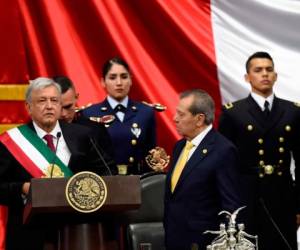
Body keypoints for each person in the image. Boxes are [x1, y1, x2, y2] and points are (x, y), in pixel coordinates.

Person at [0, 77, 114, 250]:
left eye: (54, 100)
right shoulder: (12, 142)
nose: (49, 106)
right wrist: (22, 188)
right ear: (28, 107)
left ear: (60, 106)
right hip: (29, 235)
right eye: (41, 100)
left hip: (77, 231)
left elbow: (108, 172)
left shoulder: (83, 135)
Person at [218, 51, 300, 250]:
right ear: (247, 77)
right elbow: (224, 165)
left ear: (276, 76)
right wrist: (229, 206)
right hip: (247, 196)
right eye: (258, 70)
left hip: (283, 195)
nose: (264, 74)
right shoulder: (232, 113)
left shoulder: (293, 111)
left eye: (269, 70)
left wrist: (299, 204)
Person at [164, 89, 241, 250]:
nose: (174, 118)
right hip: (174, 238)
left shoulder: (223, 150)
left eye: (181, 114)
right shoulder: (179, 147)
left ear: (199, 119)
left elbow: (230, 207)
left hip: (204, 242)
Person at [81, 57, 157, 175]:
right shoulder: (90, 114)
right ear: (103, 82)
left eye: (124, 77)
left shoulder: (145, 112)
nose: (119, 83)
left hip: (138, 181)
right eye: (112, 77)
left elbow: (151, 156)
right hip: (105, 182)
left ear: (131, 80)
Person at [53, 75, 116, 171]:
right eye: (58, 107)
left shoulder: (95, 130)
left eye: (68, 106)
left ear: (76, 98)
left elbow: (110, 171)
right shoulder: (37, 131)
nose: (63, 114)